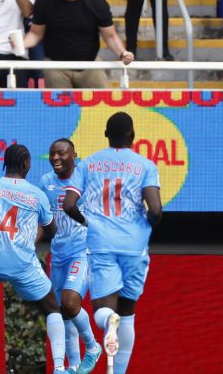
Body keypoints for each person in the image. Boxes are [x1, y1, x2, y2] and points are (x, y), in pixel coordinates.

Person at [0, 143, 78, 374]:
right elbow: (51, 232)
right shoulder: (37, 195)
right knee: (53, 310)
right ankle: (59, 367)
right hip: (23, 264)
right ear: (27, 164)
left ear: (4, 163)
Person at [63, 112, 162, 374]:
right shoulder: (146, 165)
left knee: (102, 312)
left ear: (106, 135)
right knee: (129, 312)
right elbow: (156, 210)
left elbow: (69, 205)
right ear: (132, 136)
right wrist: (142, 231)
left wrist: (88, 223)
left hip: (101, 243)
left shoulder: (88, 164)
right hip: (134, 245)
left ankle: (110, 318)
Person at [38, 139, 102, 373]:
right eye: (52, 154)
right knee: (62, 312)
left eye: (61, 154)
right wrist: (27, 247)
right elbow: (43, 221)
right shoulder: (46, 182)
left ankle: (93, 347)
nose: (55, 158)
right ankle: (73, 366)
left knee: (70, 302)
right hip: (58, 255)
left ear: (75, 154)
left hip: (82, 252)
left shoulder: (87, 180)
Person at [23, 0, 134, 89]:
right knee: (60, 108)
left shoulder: (97, 3)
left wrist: (123, 53)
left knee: (102, 105)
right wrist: (21, 44)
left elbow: (110, 36)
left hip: (89, 65)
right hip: (56, 67)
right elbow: (35, 34)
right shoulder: (45, 1)